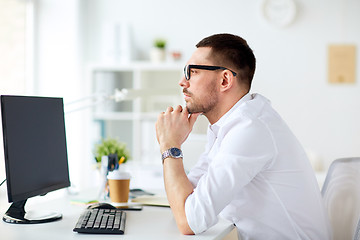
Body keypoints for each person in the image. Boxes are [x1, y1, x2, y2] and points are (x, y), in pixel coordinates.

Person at [155, 33, 331, 239]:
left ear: (224, 80)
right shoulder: (227, 127)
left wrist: (170, 145)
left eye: (191, 72)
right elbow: (184, 201)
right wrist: (172, 145)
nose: (182, 82)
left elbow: (189, 221)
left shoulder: (250, 128)